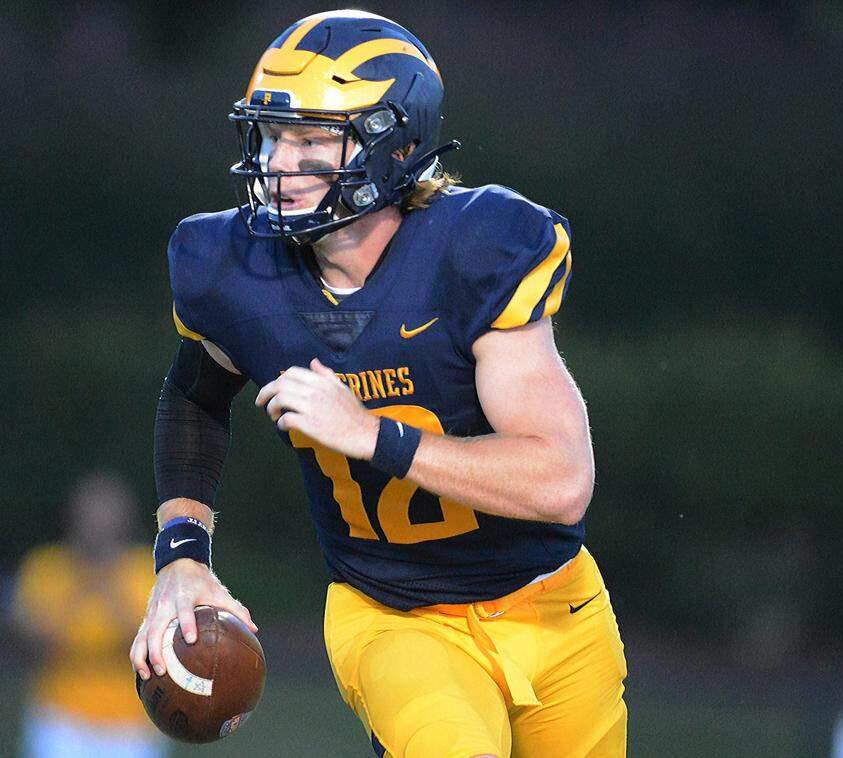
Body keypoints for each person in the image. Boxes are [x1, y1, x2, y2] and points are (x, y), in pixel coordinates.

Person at [130, 10, 628, 757]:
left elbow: (560, 481)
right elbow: (196, 394)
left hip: (557, 611)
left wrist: (374, 436)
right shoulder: (234, 269)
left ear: (391, 145)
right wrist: (181, 556)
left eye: (310, 139)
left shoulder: (476, 250)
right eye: (271, 136)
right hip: (395, 616)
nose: (279, 163)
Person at [15, 472, 168, 758]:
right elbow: (34, 649)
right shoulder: (46, 568)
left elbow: (151, 651)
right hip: (60, 722)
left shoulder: (147, 568)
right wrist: (79, 588)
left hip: (131, 726)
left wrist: (110, 588)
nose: (97, 525)